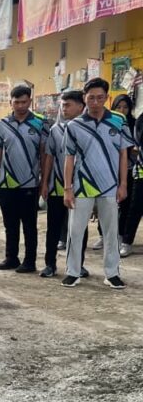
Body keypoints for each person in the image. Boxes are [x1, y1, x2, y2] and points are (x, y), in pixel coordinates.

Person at [62, 77, 133, 289]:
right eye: (91, 98)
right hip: (82, 185)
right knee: (75, 231)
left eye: (100, 98)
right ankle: (73, 272)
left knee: (111, 231)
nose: (95, 102)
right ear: (84, 98)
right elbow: (69, 158)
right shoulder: (74, 126)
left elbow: (123, 154)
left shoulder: (119, 120)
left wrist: (123, 184)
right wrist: (67, 188)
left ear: (106, 97)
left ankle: (112, 273)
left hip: (110, 186)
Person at [0, 84, 48, 273]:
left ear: (30, 101)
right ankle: (11, 258)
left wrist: (44, 181)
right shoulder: (2, 124)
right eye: (17, 102)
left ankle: (30, 261)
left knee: (30, 225)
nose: (21, 106)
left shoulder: (40, 123)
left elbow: (44, 155)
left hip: (30, 183)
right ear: (11, 103)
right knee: (10, 224)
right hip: (6, 183)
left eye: (24, 102)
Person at [40, 90, 89, 279]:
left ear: (80, 106)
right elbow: (49, 157)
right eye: (62, 105)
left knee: (79, 229)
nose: (64, 109)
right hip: (57, 187)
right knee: (53, 228)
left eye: (68, 105)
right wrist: (45, 183)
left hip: (81, 188)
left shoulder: (88, 129)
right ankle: (50, 264)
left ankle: (77, 265)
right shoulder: (56, 130)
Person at [111, 95, 136, 244]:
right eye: (118, 107)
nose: (122, 110)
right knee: (108, 203)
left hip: (128, 169)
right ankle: (103, 234)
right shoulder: (108, 122)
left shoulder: (134, 124)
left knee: (125, 203)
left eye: (125, 107)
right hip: (110, 169)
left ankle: (121, 233)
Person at [120, 108, 143, 256]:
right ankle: (126, 242)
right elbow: (137, 144)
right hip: (141, 173)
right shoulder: (141, 120)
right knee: (135, 209)